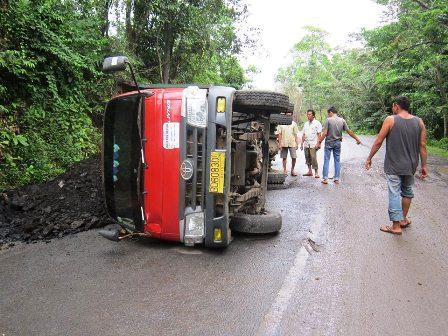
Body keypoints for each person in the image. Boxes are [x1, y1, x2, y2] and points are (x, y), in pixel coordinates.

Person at [365, 96, 427, 235]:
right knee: (407, 192)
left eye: (393, 107)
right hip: (411, 165)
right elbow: (422, 146)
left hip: (394, 165)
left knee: (394, 193)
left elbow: (378, 141)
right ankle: (403, 220)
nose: (392, 109)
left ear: (396, 106)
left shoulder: (390, 119)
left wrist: (369, 158)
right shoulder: (419, 122)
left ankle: (396, 226)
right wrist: (424, 166)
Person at [316, 106, 361, 184]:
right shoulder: (342, 120)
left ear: (331, 112)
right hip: (337, 143)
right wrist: (357, 139)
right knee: (337, 160)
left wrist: (319, 141)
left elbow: (325, 133)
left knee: (326, 159)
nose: (328, 115)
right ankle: (336, 178)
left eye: (328, 113)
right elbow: (349, 131)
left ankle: (325, 179)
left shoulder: (328, 120)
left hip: (329, 143)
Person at [276, 112, 300, 176]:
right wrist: (280, 143)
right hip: (284, 142)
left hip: (292, 143)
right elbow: (279, 134)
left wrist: (297, 143)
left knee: (294, 157)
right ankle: (285, 170)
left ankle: (292, 170)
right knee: (284, 157)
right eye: (287, 115)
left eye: (290, 115)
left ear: (291, 116)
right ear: (285, 115)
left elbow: (295, 134)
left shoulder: (293, 124)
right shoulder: (281, 124)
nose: (288, 116)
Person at [301, 109, 322, 178]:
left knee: (313, 158)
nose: (308, 116)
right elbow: (303, 134)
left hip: (313, 144)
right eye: (307, 114)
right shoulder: (306, 124)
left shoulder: (317, 123)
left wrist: (319, 143)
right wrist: (301, 143)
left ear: (313, 115)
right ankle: (309, 171)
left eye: (309, 114)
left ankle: (316, 172)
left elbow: (319, 134)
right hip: (306, 144)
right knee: (307, 157)